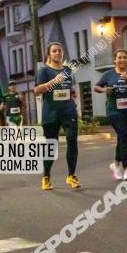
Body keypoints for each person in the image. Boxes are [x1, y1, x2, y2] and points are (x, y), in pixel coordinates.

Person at [33, 42, 80, 191]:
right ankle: (46, 176)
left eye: (60, 51)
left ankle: (71, 176)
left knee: (72, 140)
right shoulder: (44, 71)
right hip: (51, 113)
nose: (58, 53)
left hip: (68, 111)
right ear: (49, 54)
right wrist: (54, 81)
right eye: (54, 51)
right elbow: (37, 90)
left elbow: (67, 87)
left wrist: (72, 92)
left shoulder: (67, 70)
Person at [93, 49, 127, 181]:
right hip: (114, 111)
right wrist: (104, 89)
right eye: (120, 58)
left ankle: (116, 164)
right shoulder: (108, 75)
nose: (122, 60)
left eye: (125, 57)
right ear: (115, 60)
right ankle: (126, 170)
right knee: (123, 136)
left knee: (122, 138)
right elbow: (96, 87)